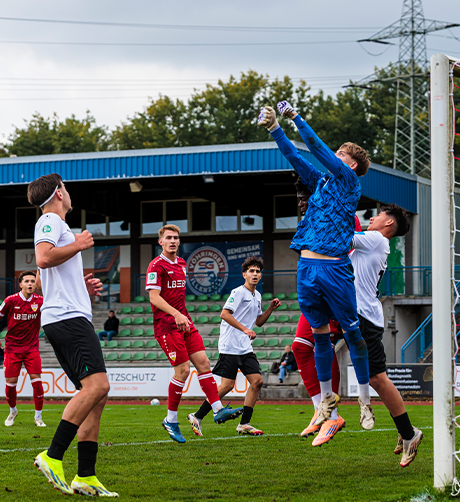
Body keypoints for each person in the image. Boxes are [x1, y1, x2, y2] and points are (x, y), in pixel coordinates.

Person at [258, 101, 373, 431]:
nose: (334, 157)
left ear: (351, 165)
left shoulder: (349, 183)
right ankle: (325, 405)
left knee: (353, 335)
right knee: (318, 337)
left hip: (335, 269)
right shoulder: (321, 182)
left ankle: (364, 402)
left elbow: (317, 149)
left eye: (341, 156)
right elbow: (296, 158)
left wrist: (295, 118)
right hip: (306, 267)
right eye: (336, 154)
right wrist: (274, 129)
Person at [28, 173, 116, 497]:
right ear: (59, 192)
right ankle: (52, 456)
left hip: (66, 315)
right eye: (66, 188)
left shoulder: (52, 225)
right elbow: (43, 258)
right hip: (67, 318)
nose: (69, 193)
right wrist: (78, 243)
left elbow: (40, 281)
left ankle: (86, 476)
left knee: (97, 395)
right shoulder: (50, 220)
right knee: (98, 386)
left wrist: (82, 284)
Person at [147, 224, 240, 444]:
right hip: (166, 325)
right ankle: (170, 420)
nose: (173, 241)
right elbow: (154, 298)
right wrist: (176, 315)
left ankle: (218, 410)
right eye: (168, 238)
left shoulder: (181, 264)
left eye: (176, 238)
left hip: (184, 322)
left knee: (204, 363)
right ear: (161, 241)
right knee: (183, 371)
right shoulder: (156, 266)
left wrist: (183, 317)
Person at [348, 205, 423, 464]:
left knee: (378, 379)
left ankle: (409, 433)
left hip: (366, 318)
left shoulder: (376, 239)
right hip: (360, 316)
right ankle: (405, 431)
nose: (372, 217)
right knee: (375, 378)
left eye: (377, 215)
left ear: (388, 222)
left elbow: (342, 235)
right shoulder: (374, 242)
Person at [189, 257, 280, 436]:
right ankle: (197, 416)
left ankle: (244, 424)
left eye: (258, 271)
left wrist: (270, 309)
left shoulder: (258, 295)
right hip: (230, 346)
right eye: (251, 271)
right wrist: (245, 329)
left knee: (257, 382)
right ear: (244, 274)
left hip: (245, 347)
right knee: (227, 386)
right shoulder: (238, 292)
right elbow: (224, 314)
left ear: (261, 275)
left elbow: (259, 322)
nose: (255, 274)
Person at [291, 176, 348, 439]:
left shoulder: (340, 215)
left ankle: (333, 415)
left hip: (336, 292)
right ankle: (321, 411)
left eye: (306, 198)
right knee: (301, 347)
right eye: (299, 198)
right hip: (314, 291)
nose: (301, 203)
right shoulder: (309, 222)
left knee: (371, 369)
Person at [0, 270, 46, 427]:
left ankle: (38, 417)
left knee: (37, 383)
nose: (30, 284)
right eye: (27, 281)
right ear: (20, 284)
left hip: (31, 348)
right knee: (11, 384)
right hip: (12, 348)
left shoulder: (41, 301)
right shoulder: (11, 300)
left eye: (33, 281)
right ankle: (13, 410)